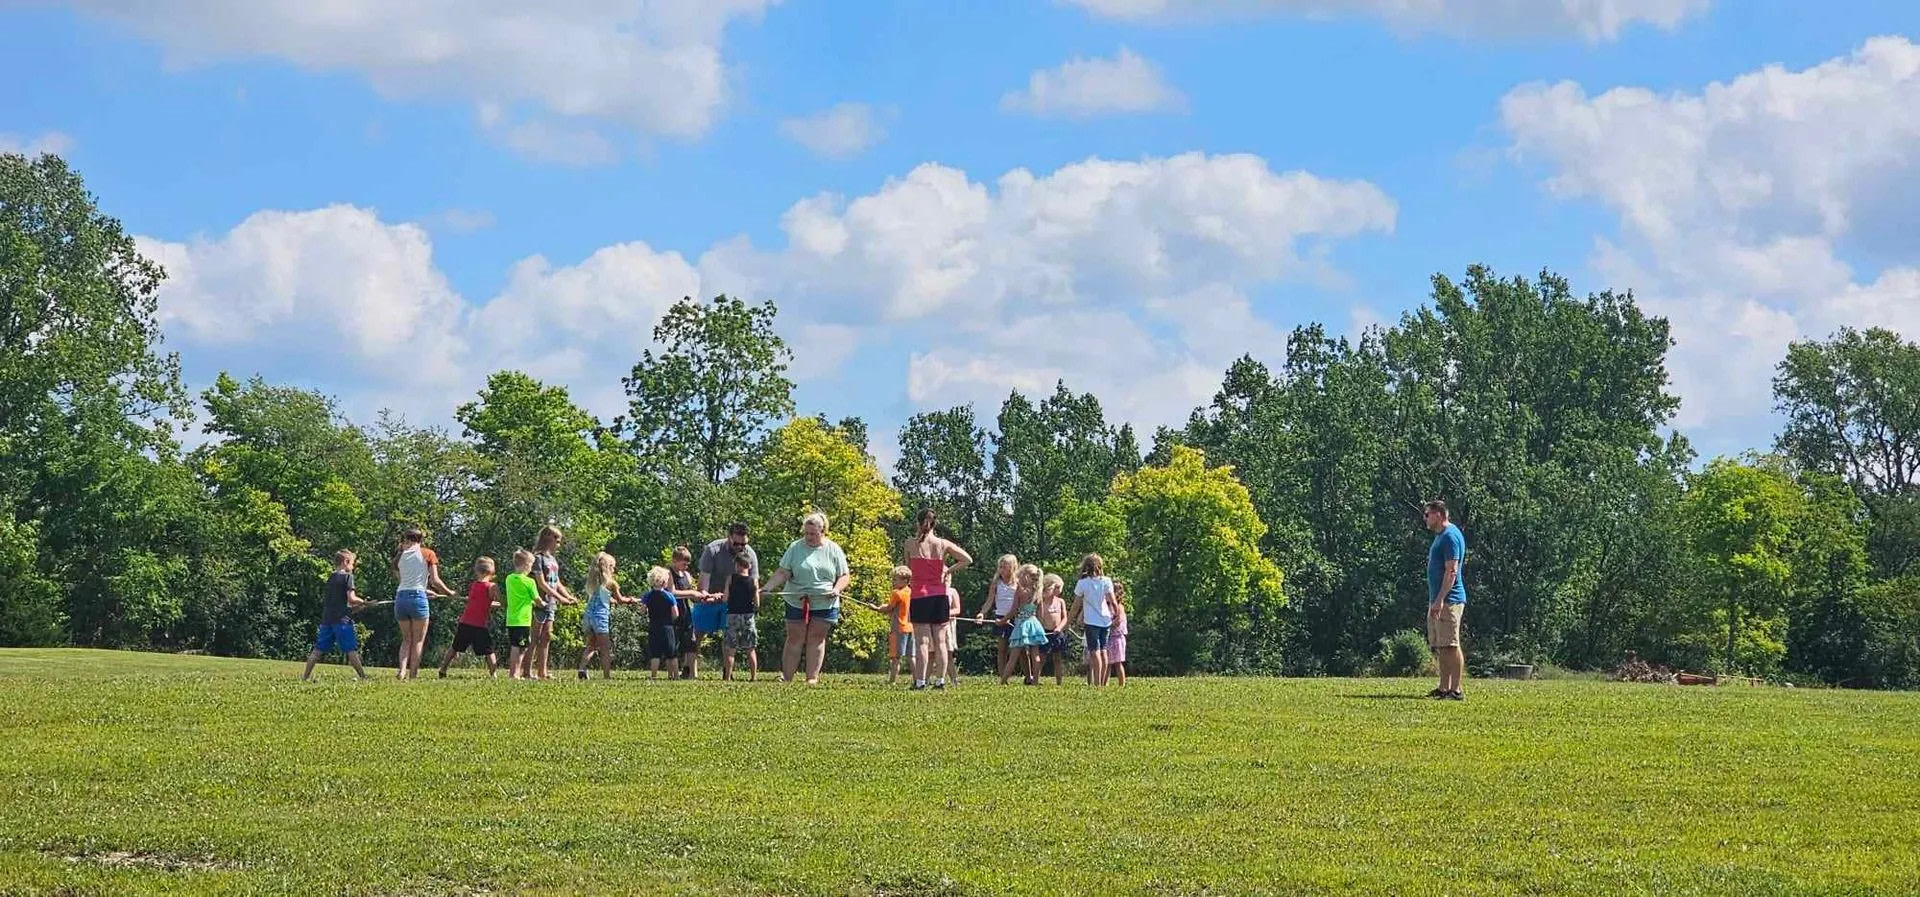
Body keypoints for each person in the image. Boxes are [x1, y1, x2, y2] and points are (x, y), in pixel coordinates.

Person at [759, 512, 851, 686]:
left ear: (822, 532)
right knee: (795, 637)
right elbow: (783, 572)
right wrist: (768, 587)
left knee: (817, 637)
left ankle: (812, 678)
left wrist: (836, 588)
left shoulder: (834, 549)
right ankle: (787, 677)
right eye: (806, 533)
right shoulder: (795, 547)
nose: (809, 537)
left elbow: (844, 575)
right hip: (796, 599)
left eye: (813, 534)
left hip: (825, 600)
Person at [902, 507, 973, 691]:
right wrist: (948, 570)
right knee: (940, 641)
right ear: (935, 524)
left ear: (918, 523)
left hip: (919, 595)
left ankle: (920, 681)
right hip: (940, 595)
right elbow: (967, 559)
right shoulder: (943, 544)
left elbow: (908, 567)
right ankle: (940, 681)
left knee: (922, 642)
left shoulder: (910, 544)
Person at [392, 529, 455, 680]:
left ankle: (401, 671)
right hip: (418, 598)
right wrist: (449, 593)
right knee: (418, 640)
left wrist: (424, 589)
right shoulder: (428, 554)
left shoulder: (400, 556)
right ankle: (413, 675)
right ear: (421, 539)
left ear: (407, 539)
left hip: (401, 597)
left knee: (406, 639)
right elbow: (435, 580)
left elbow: (404, 581)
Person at [1424, 500, 1468, 701]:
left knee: (1451, 644)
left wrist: (1440, 599)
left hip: (1450, 600)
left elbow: (1451, 571)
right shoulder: (1441, 536)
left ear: (1439, 515)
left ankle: (1456, 689)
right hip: (1439, 600)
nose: (1425, 518)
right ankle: (1443, 688)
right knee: (1442, 645)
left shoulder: (1450, 536)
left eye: (1428, 514)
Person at [303, 550, 368, 680]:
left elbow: (339, 604)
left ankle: (305, 677)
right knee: (351, 650)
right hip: (343, 622)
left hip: (327, 620)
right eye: (352, 564)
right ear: (346, 562)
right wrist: (365, 602)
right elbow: (351, 599)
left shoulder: (331, 578)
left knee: (318, 650)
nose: (353, 567)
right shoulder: (348, 577)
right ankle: (363, 677)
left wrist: (359, 607)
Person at [529, 526, 578, 681]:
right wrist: (560, 598)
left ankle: (542, 671)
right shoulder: (538, 558)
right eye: (557, 540)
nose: (559, 544)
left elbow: (556, 582)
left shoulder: (553, 559)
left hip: (551, 603)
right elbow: (542, 584)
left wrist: (568, 596)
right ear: (548, 538)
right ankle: (526, 670)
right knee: (534, 637)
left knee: (546, 636)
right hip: (539, 602)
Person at [439, 557, 501, 678]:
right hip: (479, 625)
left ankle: (443, 669)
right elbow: (500, 601)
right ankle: (493, 674)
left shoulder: (473, 585)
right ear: (492, 571)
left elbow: (479, 601)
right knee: (489, 651)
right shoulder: (492, 586)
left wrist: (489, 604)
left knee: (454, 647)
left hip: (465, 622)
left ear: (476, 570)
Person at [577, 551, 637, 680]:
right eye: (613, 567)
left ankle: (582, 668)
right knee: (605, 648)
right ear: (608, 567)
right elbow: (620, 599)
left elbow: (603, 598)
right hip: (600, 617)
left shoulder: (594, 582)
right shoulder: (611, 584)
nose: (614, 570)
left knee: (591, 645)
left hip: (588, 616)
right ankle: (607, 676)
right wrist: (631, 600)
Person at [853, 566, 914, 685]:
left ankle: (892, 681)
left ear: (905, 581)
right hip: (910, 627)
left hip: (898, 628)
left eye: (896, 579)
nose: (893, 582)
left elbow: (888, 608)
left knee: (895, 657)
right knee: (911, 656)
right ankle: (918, 679)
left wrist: (875, 608)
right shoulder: (910, 591)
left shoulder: (896, 593)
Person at [1070, 553, 1117, 687]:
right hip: (1105, 619)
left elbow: (1076, 606)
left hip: (1091, 621)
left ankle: (1096, 683)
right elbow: (1113, 601)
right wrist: (1115, 614)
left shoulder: (1083, 583)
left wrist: (1068, 622)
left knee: (1094, 651)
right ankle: (1104, 682)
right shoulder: (1106, 581)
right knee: (1103, 650)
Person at [669, 546, 714, 679]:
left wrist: (703, 596)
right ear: (675, 561)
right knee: (674, 644)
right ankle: (673, 674)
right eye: (683, 563)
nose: (686, 567)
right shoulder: (668, 574)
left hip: (687, 612)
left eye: (687, 564)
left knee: (692, 643)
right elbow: (672, 592)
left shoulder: (687, 575)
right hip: (674, 612)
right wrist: (692, 593)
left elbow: (692, 593)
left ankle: (692, 674)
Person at [976, 555, 1019, 684]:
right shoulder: (996, 583)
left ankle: (1023, 675)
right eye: (1000, 567)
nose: (1001, 569)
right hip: (1000, 617)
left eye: (1004, 567)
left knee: (1017, 650)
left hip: (1015, 618)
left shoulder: (1018, 582)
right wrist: (982, 613)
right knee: (1002, 649)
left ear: (1012, 567)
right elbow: (989, 601)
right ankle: (1002, 677)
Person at [720, 552, 760, 681]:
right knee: (750, 649)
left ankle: (727, 677)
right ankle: (753, 677)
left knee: (731, 649)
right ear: (749, 566)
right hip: (748, 616)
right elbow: (757, 603)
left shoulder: (731, 579)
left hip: (732, 615)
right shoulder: (753, 581)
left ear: (736, 565)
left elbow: (725, 598)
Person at [1006, 564, 1048, 685]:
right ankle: (1035, 681)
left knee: (1014, 655)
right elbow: (1041, 614)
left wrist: (1003, 620)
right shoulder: (1038, 592)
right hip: (1034, 623)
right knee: (1035, 655)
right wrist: (1042, 627)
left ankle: (1004, 680)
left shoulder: (1020, 591)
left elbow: (1013, 610)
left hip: (1022, 624)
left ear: (1026, 576)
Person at [503, 550, 540, 680]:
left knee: (519, 646)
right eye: (531, 564)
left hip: (511, 619)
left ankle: (517, 672)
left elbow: (520, 596)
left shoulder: (509, 578)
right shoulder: (529, 582)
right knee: (518, 647)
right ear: (526, 565)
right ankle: (513, 673)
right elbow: (537, 599)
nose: (531, 568)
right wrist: (543, 604)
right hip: (523, 620)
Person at [642, 566, 681, 680]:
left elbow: (643, 610)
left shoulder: (648, 596)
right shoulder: (669, 596)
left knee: (655, 654)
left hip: (653, 626)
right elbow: (675, 613)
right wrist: (672, 620)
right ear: (664, 581)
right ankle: (676, 675)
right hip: (667, 627)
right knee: (672, 653)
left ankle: (653, 675)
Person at [1040, 573, 1071, 686]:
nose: (1058, 590)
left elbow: (1065, 618)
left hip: (1057, 633)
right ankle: (1035, 679)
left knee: (1057, 658)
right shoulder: (1041, 602)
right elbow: (1039, 616)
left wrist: (1059, 627)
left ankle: (1059, 682)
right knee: (1042, 658)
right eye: (1056, 587)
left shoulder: (1060, 601)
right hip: (1045, 632)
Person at [1108, 581, 1130, 687]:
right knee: (1106, 662)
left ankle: (1122, 684)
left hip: (1117, 637)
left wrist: (1108, 625)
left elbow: (1118, 621)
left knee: (1117, 663)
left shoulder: (1119, 607)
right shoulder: (1108, 606)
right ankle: (1104, 683)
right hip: (1108, 637)